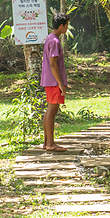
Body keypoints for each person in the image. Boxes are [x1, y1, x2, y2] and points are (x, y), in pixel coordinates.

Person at [41, 12, 69, 151]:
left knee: (50, 110)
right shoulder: (55, 41)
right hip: (53, 82)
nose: (67, 28)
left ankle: (47, 142)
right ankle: (50, 144)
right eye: (66, 25)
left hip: (49, 80)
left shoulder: (50, 38)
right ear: (62, 25)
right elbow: (53, 64)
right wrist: (60, 83)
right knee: (52, 110)